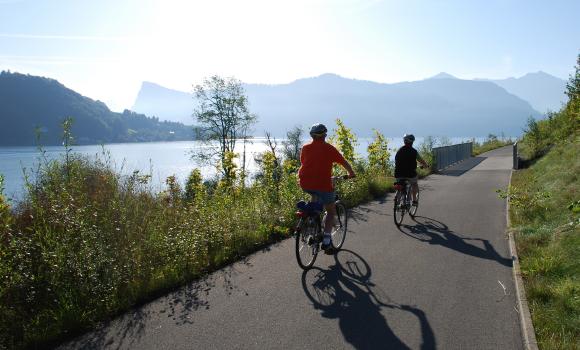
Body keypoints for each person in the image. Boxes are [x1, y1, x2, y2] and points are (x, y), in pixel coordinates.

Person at [298, 123, 356, 253]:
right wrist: (351, 173)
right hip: (323, 184)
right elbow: (344, 162)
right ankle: (326, 240)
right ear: (324, 135)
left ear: (312, 136)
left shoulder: (305, 148)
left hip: (305, 183)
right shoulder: (329, 149)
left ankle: (311, 224)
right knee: (330, 211)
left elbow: (304, 163)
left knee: (315, 198)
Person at [394, 134, 428, 206]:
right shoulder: (414, 151)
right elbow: (421, 160)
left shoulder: (399, 150)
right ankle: (414, 200)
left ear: (404, 141)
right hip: (410, 174)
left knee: (400, 184)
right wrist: (425, 165)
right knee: (414, 184)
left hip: (398, 173)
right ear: (412, 142)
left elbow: (396, 160)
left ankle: (398, 198)